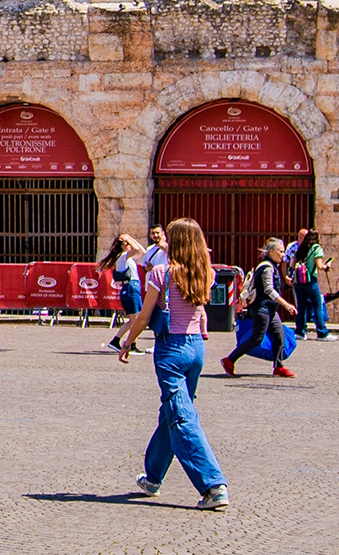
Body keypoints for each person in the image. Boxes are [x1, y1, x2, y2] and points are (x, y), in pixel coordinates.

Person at [114, 218, 230, 511]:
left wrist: (127, 342)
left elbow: (142, 316)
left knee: (181, 417)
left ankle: (212, 485)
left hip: (171, 350)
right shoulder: (205, 274)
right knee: (174, 410)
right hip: (196, 349)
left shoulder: (162, 274)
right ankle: (152, 478)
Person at [218, 237, 297, 379]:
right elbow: (268, 290)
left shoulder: (272, 266)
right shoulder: (267, 267)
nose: (283, 255)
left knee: (279, 335)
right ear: (271, 252)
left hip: (270, 310)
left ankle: (278, 367)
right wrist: (286, 304)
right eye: (281, 251)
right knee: (257, 338)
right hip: (262, 309)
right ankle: (229, 360)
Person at [101, 235, 147, 355]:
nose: (129, 245)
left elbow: (142, 251)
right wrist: (128, 238)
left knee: (134, 320)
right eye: (126, 243)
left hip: (133, 287)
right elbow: (136, 250)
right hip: (130, 287)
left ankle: (117, 341)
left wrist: (130, 238)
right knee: (135, 319)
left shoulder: (128, 257)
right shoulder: (122, 256)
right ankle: (130, 344)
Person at [290, 228, 330, 341]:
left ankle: (300, 332)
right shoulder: (316, 248)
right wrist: (327, 266)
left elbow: (292, 264)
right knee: (318, 305)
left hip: (298, 281)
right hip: (310, 280)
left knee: (301, 306)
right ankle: (322, 332)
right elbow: (319, 265)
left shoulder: (301, 248)